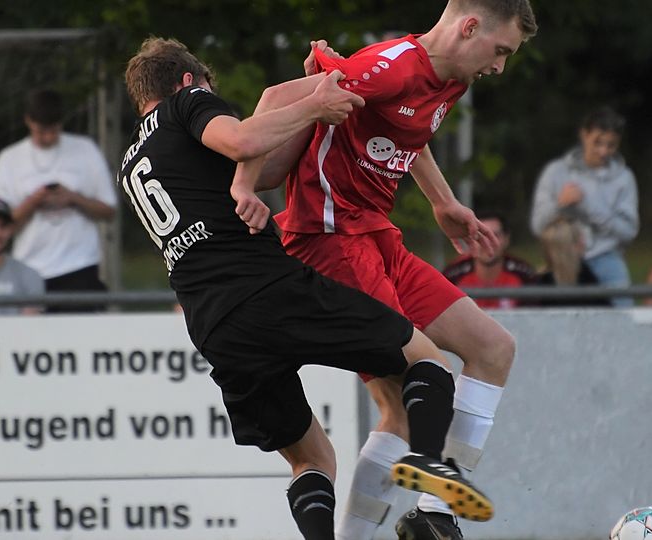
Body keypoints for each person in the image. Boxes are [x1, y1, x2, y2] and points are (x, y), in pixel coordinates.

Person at [119, 37, 492, 540]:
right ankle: (429, 473)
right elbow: (243, 141)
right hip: (267, 289)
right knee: (425, 361)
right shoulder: (187, 103)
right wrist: (316, 102)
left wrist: (310, 109)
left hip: (213, 327)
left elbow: (264, 170)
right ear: (188, 82)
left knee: (312, 458)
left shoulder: (131, 162)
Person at [237, 2, 538, 538]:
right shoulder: (391, 66)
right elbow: (277, 99)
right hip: (329, 237)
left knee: (493, 349)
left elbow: (404, 133)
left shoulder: (451, 78)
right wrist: (242, 185)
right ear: (469, 27)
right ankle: (427, 511)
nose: (499, 66)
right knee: (409, 392)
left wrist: (443, 201)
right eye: (500, 51)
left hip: (376, 235)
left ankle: (434, 511)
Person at [0, 88, 117, 312]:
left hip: (80, 266)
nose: (48, 137)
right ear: (28, 122)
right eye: (41, 131)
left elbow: (109, 210)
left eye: (53, 131)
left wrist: (73, 198)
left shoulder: (85, 149)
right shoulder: (9, 159)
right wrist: (34, 201)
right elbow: (1, 225)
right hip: (29, 268)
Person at [530, 106, 638, 307]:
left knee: (622, 319)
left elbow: (629, 231)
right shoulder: (555, 172)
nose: (603, 151)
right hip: (561, 260)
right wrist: (560, 204)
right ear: (584, 134)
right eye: (597, 142)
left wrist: (588, 206)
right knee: (555, 319)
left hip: (607, 260)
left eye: (611, 145)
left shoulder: (624, 178)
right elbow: (538, 225)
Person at [442, 210, 535, 309]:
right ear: (470, 239)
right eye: (480, 236)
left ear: (506, 239)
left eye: (495, 235)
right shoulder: (452, 276)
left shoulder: (524, 275)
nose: (487, 243)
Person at [534, 218, 611, 307]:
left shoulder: (585, 273)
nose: (584, 243)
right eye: (579, 239)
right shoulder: (542, 283)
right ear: (570, 247)